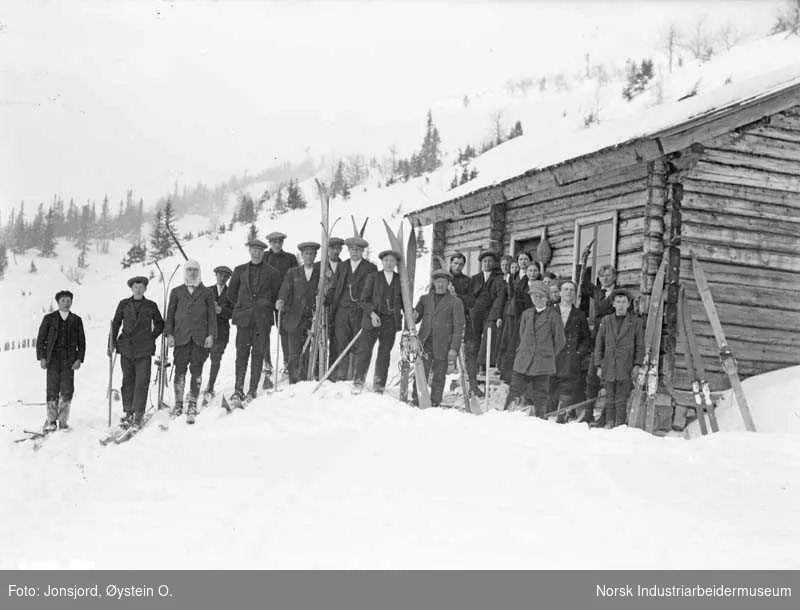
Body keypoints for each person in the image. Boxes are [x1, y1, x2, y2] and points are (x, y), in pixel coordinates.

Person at [226, 239, 283, 402]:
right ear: (249, 251)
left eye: (259, 250)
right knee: (241, 354)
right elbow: (231, 294)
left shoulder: (272, 273)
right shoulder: (239, 270)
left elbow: (276, 294)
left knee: (258, 355)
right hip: (244, 320)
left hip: (262, 320)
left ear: (263, 252)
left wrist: (267, 305)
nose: (256, 252)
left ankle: (252, 390)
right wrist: (243, 305)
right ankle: (238, 390)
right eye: (253, 249)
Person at [503, 280, 565, 418]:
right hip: (523, 359)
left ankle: (539, 420)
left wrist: (547, 354)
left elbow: (560, 341)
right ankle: (505, 416)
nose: (536, 299)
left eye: (540, 296)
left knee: (540, 394)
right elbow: (522, 334)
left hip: (542, 361)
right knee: (515, 390)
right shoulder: (526, 314)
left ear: (546, 298)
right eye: (534, 296)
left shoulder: (554, 316)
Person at [165, 260, 217, 422]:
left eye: (195, 270)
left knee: (197, 371)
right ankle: (179, 403)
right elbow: (170, 316)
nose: (192, 273)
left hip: (200, 339)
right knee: (180, 370)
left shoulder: (207, 292)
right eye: (189, 270)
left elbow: (212, 317)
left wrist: (211, 335)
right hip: (181, 338)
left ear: (199, 272)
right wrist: (169, 335)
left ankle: (193, 401)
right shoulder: (176, 292)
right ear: (185, 273)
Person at [110, 277, 164, 429]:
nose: (138, 289)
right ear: (131, 288)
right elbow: (115, 324)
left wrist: (151, 337)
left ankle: (138, 413)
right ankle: (128, 412)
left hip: (144, 350)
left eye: (141, 287)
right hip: (126, 348)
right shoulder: (124, 304)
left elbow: (160, 324)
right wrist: (112, 343)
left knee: (142, 381)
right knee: (128, 381)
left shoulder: (151, 305)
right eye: (135, 287)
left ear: (145, 288)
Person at [326, 235, 377, 381]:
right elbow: (335, 286)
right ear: (348, 250)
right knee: (341, 341)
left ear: (362, 251)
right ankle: (341, 375)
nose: (354, 252)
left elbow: (373, 291)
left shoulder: (370, 268)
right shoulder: (343, 266)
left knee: (358, 343)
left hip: (360, 311)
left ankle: (354, 376)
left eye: (358, 250)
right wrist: (327, 298)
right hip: (342, 311)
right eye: (352, 249)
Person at [353, 249, 403, 393]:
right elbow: (363, 300)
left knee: (384, 353)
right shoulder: (373, 277)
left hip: (390, 321)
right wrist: (372, 314)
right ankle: (358, 381)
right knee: (365, 351)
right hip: (373, 319)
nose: (389, 263)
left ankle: (379, 384)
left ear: (395, 263)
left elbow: (403, 301)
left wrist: (411, 313)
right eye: (386, 260)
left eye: (392, 261)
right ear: (382, 261)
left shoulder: (400, 279)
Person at [413, 269, 465, 407]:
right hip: (425, 342)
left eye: (443, 282)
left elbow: (458, 327)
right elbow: (416, 317)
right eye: (437, 281)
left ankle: (435, 401)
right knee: (420, 372)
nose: (440, 284)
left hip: (443, 344)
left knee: (439, 375)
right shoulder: (425, 299)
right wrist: (413, 315)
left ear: (448, 283)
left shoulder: (455, 302)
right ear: (433, 282)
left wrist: (454, 348)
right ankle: (417, 398)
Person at [593, 288, 644, 428]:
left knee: (622, 398)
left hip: (626, 366)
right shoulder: (606, 321)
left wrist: (637, 364)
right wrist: (598, 365)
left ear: (628, 304)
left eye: (624, 302)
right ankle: (609, 422)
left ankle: (619, 424)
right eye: (618, 302)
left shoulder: (635, 322)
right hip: (608, 365)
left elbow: (640, 345)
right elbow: (599, 344)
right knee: (609, 397)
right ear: (613, 304)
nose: (621, 305)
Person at [36, 290, 86, 432]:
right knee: (52, 389)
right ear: (58, 302)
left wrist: (79, 359)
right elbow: (41, 339)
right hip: (52, 360)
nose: (66, 303)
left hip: (69, 361)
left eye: (68, 300)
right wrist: (42, 357)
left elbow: (82, 342)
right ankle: (51, 420)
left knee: (67, 390)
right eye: (63, 300)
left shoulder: (76, 320)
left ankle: (63, 421)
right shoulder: (49, 319)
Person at [276, 242, 320, 384]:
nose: (309, 256)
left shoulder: (320, 273)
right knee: (293, 351)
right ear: (302, 255)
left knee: (308, 350)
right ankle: (294, 381)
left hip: (311, 319)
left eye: (312, 254)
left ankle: (306, 379)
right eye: (306, 253)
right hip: (294, 318)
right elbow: (285, 289)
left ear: (315, 256)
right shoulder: (293, 272)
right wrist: (281, 300)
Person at [583, 264, 618, 423]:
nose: (605, 278)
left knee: (608, 379)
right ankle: (588, 413)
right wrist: (583, 264)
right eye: (602, 276)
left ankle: (604, 416)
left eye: (608, 275)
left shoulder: (619, 293)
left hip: (612, 340)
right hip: (596, 339)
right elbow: (583, 285)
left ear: (614, 277)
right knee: (592, 378)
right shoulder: (597, 291)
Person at [553, 280, 591, 423]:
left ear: (575, 294)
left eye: (572, 290)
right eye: (566, 289)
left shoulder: (579, 314)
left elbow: (586, 339)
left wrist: (578, 354)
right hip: (552, 356)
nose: (569, 292)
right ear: (560, 293)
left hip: (570, 356)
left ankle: (561, 416)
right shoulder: (551, 311)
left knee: (567, 387)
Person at [263, 231, 298, 382]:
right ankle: (267, 363)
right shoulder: (264, 257)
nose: (277, 244)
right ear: (270, 243)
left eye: (279, 242)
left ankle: (286, 362)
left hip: (284, 300)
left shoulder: (290, 258)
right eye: (274, 242)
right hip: (265, 300)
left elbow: (295, 278)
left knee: (283, 330)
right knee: (263, 331)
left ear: (283, 243)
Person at [467, 251, 506, 388]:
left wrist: (495, 314)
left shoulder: (498, 278)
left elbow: (500, 296)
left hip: (490, 313)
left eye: (490, 261)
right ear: (481, 264)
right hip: (475, 313)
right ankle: (474, 368)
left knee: (488, 338)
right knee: (474, 338)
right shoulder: (475, 278)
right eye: (484, 261)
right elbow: (469, 296)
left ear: (494, 263)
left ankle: (485, 366)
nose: (487, 264)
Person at [204, 265, 233, 398]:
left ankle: (210, 387)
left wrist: (221, 310)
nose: (222, 278)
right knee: (199, 360)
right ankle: (196, 386)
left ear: (228, 278)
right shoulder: (206, 291)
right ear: (216, 275)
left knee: (215, 359)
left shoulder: (231, 293)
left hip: (222, 332)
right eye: (220, 275)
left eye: (225, 276)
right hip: (206, 332)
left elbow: (234, 312)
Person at [325, 237, 345, 365]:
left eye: (338, 248)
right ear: (328, 249)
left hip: (338, 309)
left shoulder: (345, 267)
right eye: (333, 248)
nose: (336, 251)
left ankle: (333, 371)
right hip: (323, 309)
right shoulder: (319, 267)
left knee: (337, 341)